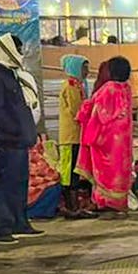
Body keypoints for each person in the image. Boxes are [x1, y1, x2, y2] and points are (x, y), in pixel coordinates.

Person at [0, 34, 42, 244]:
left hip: (18, 141)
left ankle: (19, 223)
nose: (21, 53)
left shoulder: (10, 74)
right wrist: (14, 129)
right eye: (17, 48)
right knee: (6, 185)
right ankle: (1, 229)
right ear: (7, 50)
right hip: (7, 142)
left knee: (19, 183)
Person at [75, 56, 134, 217]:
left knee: (105, 170)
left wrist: (84, 114)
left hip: (106, 138)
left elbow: (98, 112)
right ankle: (120, 203)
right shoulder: (127, 88)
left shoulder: (108, 89)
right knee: (120, 169)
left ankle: (104, 203)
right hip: (123, 139)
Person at [57, 54, 96, 219]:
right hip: (71, 136)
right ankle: (72, 208)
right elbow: (77, 111)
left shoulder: (78, 85)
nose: (87, 71)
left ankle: (73, 206)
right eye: (84, 68)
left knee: (73, 170)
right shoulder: (72, 86)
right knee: (70, 171)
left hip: (74, 135)